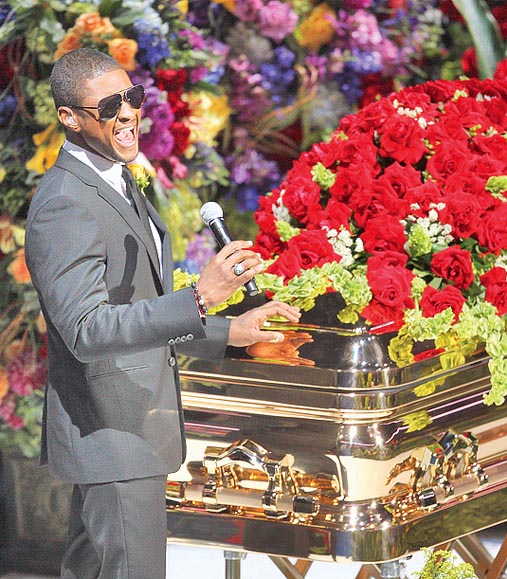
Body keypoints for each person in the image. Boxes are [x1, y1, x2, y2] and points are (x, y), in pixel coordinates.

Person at [25, 47, 301, 579]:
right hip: (111, 431)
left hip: (131, 433)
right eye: (109, 105)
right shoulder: (65, 202)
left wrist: (230, 331)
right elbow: (86, 330)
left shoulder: (116, 177)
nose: (128, 112)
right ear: (69, 118)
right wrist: (200, 297)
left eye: (133, 97)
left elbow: (137, 310)